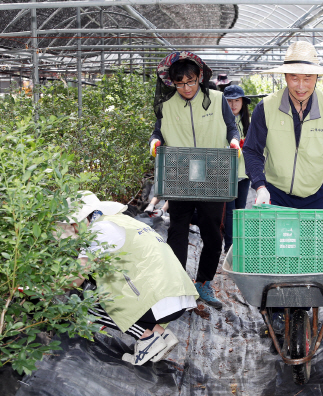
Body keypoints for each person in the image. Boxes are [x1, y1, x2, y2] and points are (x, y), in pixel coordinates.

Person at [60, 192, 199, 366]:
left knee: (87, 302)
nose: (72, 230)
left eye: (72, 225)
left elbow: (76, 277)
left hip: (160, 298)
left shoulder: (99, 232)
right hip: (176, 293)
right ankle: (162, 335)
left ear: (78, 220)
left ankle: (148, 339)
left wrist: (48, 289)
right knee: (101, 282)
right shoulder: (118, 220)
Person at [149, 51, 241, 310]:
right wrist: (154, 142)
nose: (186, 88)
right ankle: (178, 285)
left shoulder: (217, 99)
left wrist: (233, 140)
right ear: (172, 83)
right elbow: (158, 132)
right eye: (180, 84)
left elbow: (231, 126)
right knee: (177, 230)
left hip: (213, 173)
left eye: (190, 82)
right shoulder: (167, 104)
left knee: (213, 233)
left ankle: (203, 283)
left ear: (200, 77)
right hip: (180, 174)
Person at [243, 41, 323, 214]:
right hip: (274, 196)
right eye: (294, 78)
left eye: (307, 78)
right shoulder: (266, 107)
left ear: (316, 77)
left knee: (312, 242)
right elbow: (252, 150)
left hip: (315, 197)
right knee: (275, 242)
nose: (300, 86)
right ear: (285, 76)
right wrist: (260, 186)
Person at [222, 85, 252, 252]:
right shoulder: (221, 121)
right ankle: (229, 247)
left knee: (240, 211)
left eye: (237, 101)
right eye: (229, 101)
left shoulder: (248, 123)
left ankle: (239, 246)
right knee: (230, 212)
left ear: (243, 103)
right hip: (227, 173)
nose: (233, 105)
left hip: (243, 173)